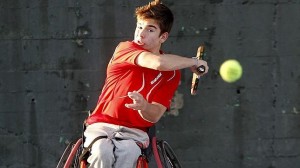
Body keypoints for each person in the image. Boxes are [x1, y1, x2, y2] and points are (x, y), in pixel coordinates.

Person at [83, 0, 209, 167]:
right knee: (102, 151)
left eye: (150, 29)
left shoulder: (171, 74)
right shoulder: (125, 48)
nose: (141, 34)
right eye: (139, 27)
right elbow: (158, 63)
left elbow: (155, 114)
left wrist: (144, 106)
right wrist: (193, 62)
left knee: (128, 152)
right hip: (102, 124)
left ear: (163, 37)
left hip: (135, 133)